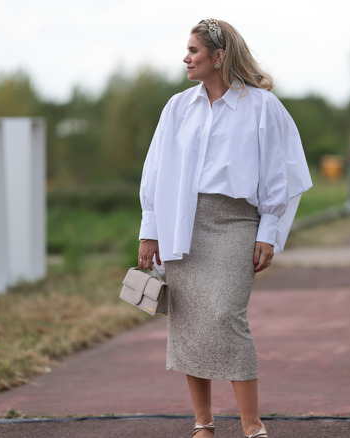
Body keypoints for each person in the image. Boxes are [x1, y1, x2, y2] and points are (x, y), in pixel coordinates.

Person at [137, 18, 312, 438]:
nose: (185, 58)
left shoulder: (262, 106)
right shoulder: (177, 107)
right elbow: (155, 170)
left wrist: (268, 230)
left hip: (236, 222)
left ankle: (252, 426)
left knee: (224, 316)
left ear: (219, 56)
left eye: (193, 50)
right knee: (189, 322)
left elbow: (278, 173)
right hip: (182, 224)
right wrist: (150, 229)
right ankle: (203, 423)